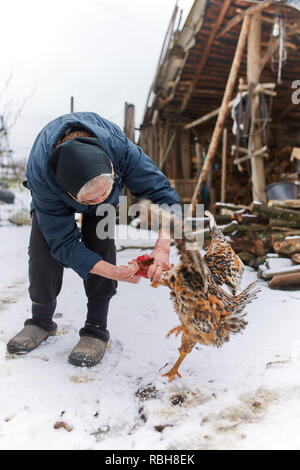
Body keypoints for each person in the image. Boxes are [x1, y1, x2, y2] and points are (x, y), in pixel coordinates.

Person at [7, 112, 180, 367]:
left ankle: (96, 327)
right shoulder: (42, 176)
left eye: (106, 190)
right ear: (66, 191)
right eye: (90, 200)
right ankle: (40, 320)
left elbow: (164, 195)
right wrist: (112, 271)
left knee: (101, 239)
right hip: (53, 199)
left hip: (99, 187)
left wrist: (162, 247)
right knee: (43, 250)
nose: (98, 200)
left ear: (111, 166)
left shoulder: (121, 150)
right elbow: (64, 243)